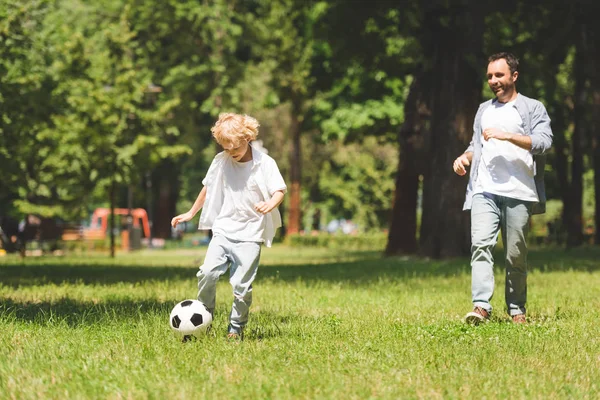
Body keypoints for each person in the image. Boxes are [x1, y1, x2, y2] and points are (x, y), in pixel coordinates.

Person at [452, 52, 553, 325]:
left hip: (519, 191)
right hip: (484, 189)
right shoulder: (484, 110)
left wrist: (507, 135)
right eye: (489, 76)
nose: (494, 81)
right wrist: (464, 158)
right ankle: (481, 305)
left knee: (515, 255)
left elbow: (544, 142)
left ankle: (516, 309)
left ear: (514, 76)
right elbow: (477, 145)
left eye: (499, 75)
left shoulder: (532, 108)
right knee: (480, 246)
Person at [171, 113, 287, 340]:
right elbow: (207, 188)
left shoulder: (265, 163)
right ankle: (204, 318)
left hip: (250, 234)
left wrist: (270, 204)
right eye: (225, 148)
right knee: (207, 272)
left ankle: (236, 328)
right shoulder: (221, 161)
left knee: (241, 287)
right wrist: (191, 213)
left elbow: (279, 191)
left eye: (234, 148)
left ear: (248, 138)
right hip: (224, 229)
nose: (231, 153)